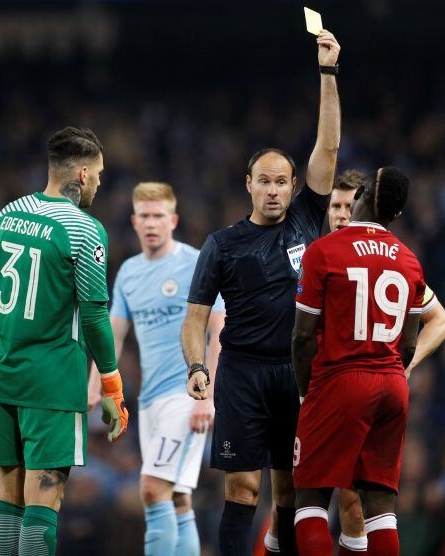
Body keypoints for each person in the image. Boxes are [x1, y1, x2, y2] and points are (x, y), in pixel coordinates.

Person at [181, 29, 342, 556]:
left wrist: (328, 72)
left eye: (282, 181)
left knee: (290, 490)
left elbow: (329, 146)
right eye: (264, 181)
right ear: (247, 183)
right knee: (243, 488)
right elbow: (196, 317)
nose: (274, 190)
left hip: (298, 373)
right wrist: (197, 367)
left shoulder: (306, 219)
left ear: (295, 187)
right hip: (243, 374)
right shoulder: (223, 245)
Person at [260, 169, 445, 554]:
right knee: (380, 507)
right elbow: (410, 341)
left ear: (361, 197)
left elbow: (301, 336)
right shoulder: (409, 260)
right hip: (392, 385)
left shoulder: (325, 252)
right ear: (395, 215)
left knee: (311, 495)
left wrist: (305, 392)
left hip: (339, 382)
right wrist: (399, 369)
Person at [0, 127, 129, 556]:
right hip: (53, 382)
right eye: (98, 173)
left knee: (9, 493)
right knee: (45, 496)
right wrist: (112, 387)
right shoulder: (83, 230)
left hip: (4, 373)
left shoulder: (2, 217)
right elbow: (95, 315)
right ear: (81, 173)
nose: (99, 181)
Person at [87, 182, 225, 556]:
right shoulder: (129, 272)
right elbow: (114, 334)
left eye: (158, 216)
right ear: (134, 221)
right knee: (177, 498)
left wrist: (206, 398)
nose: (151, 224)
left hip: (185, 397)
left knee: (151, 488)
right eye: (144, 216)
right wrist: (95, 384)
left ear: (173, 220)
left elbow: (218, 330)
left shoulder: (195, 263)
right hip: (149, 402)